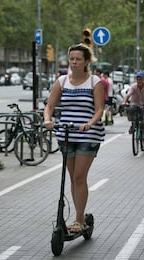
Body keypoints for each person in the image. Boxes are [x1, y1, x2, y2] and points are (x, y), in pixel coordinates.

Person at [43, 43, 105, 233]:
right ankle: (78, 217)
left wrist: (90, 123)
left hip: (88, 134)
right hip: (66, 133)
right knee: (72, 177)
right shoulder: (62, 81)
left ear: (87, 61)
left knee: (79, 176)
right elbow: (49, 106)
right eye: (72, 59)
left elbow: (99, 109)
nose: (74, 62)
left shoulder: (95, 82)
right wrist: (47, 120)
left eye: (78, 59)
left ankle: (79, 219)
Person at [121, 71, 144, 149]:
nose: (139, 81)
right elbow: (128, 95)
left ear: (143, 79)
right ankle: (133, 124)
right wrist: (124, 101)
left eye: (141, 79)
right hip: (135, 104)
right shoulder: (133, 86)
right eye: (138, 79)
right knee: (131, 110)